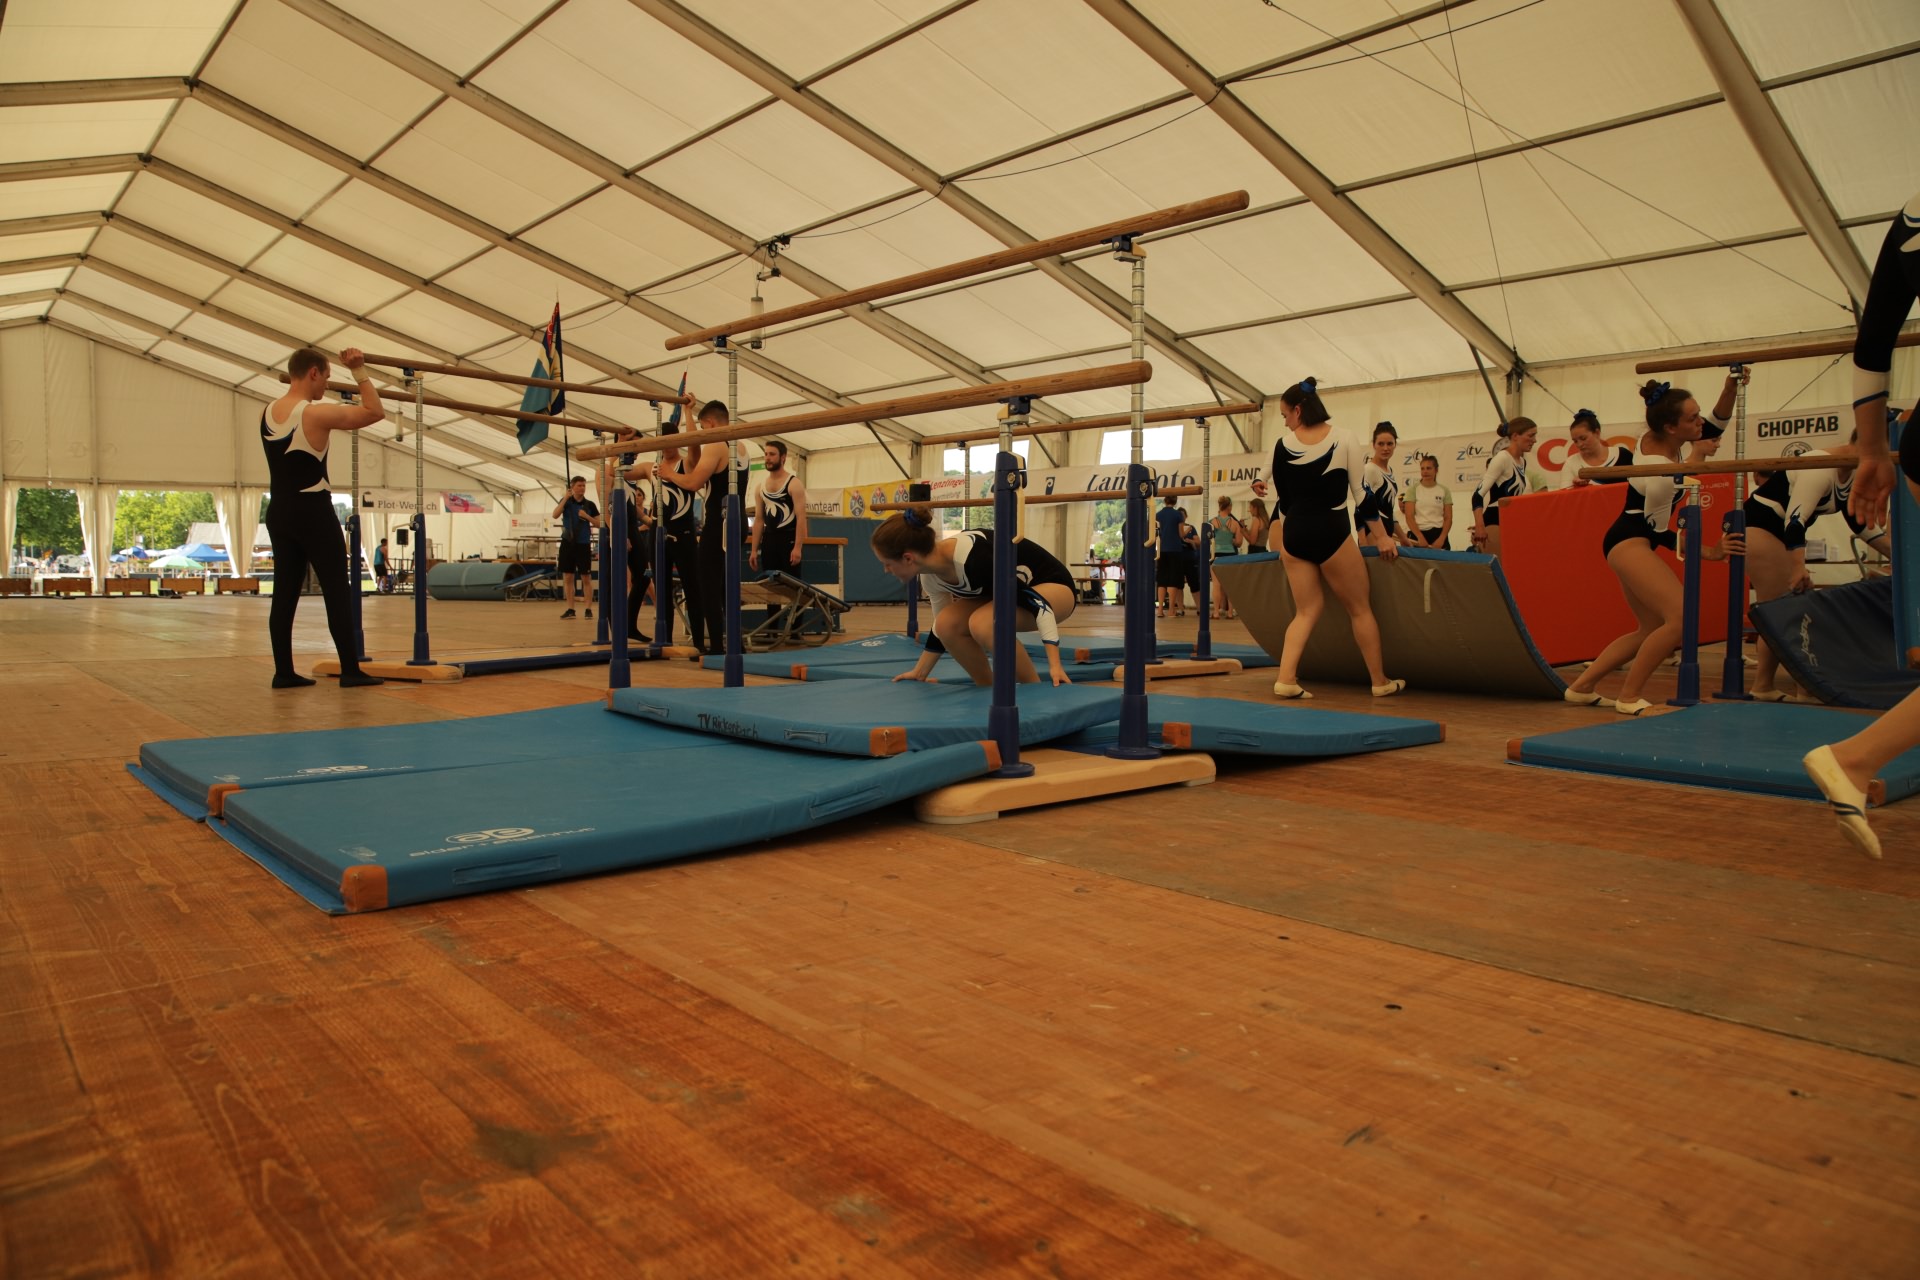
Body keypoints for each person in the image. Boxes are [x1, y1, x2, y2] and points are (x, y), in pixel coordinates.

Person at [1803, 191, 1920, 860]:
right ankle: (1854, 756)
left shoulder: (1911, 213)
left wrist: (1874, 448)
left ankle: (1856, 758)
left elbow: (1874, 341)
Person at [1562, 379, 1744, 716]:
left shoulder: (1664, 437)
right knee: (1681, 616)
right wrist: (1709, 552)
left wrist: (1730, 387)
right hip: (1631, 539)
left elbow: (1716, 423)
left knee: (1648, 628)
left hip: (1629, 537)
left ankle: (1581, 687)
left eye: (1698, 414)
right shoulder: (1659, 473)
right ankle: (1629, 697)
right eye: (1692, 418)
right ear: (1671, 427)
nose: (1700, 423)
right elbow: (1658, 532)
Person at [1257, 376, 1403, 700]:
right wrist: (1382, 537)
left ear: (1298, 411)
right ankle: (1379, 681)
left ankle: (1286, 678)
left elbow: (1284, 501)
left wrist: (1285, 539)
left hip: (1295, 535)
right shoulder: (1344, 438)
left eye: (1285, 415)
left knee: (1306, 611)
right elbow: (1361, 495)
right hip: (1331, 533)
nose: (1285, 422)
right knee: (1360, 609)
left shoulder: (1282, 445)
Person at [260, 347, 385, 689]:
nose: (327, 385)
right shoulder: (315, 414)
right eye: (327, 377)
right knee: (337, 590)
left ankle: (283, 672)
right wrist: (359, 370)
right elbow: (375, 411)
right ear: (313, 372)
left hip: (279, 511)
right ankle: (351, 671)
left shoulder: (266, 412)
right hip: (312, 510)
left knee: (284, 593)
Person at [870, 505, 1077, 686]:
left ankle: (1034, 688)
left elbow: (1039, 606)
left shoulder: (976, 559)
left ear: (908, 558)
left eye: (887, 564)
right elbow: (942, 628)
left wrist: (1055, 665)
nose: (886, 570)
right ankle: (986, 686)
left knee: (984, 623)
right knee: (946, 623)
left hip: (1053, 588)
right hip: (1010, 594)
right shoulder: (930, 577)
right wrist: (920, 672)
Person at [1743, 444, 1865, 700]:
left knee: (1781, 611)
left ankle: (1764, 686)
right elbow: (1795, 521)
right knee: (1785, 611)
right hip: (1760, 528)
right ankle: (1802, 688)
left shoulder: (1854, 473)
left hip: (1780, 534)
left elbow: (1863, 526)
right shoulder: (1818, 468)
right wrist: (1799, 566)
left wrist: (1900, 557)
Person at [638, 401, 730, 653]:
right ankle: (664, 639)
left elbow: (694, 444)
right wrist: (618, 450)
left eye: (671, 442)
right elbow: (620, 473)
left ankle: (699, 641)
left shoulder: (687, 463)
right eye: (662, 443)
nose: (666, 447)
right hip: (658, 534)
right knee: (662, 589)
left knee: (693, 587)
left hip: (684, 534)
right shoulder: (650, 468)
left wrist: (688, 412)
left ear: (677, 442)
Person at [1470, 417, 1537, 557]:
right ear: (1515, 436)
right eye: (1531, 435)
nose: (1535, 440)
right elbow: (1477, 495)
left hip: (1510, 521)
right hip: (1493, 523)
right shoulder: (1502, 458)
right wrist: (1480, 526)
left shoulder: (1522, 462)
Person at [750, 440, 808, 577]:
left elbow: (801, 518)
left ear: (783, 457)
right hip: (769, 540)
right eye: (766, 454)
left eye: (772, 454)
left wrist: (797, 547)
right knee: (770, 583)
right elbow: (759, 520)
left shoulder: (794, 484)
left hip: (789, 540)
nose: (767, 458)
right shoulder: (760, 487)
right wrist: (754, 550)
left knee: (790, 583)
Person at [550, 476, 600, 619]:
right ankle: (570, 609)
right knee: (568, 577)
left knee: (586, 577)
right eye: (579, 485)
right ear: (572, 487)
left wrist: (587, 517)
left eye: (584, 485)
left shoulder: (590, 505)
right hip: (567, 543)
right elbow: (555, 515)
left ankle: (588, 609)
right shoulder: (566, 502)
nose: (582, 488)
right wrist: (565, 498)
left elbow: (599, 524)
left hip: (583, 544)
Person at [1361, 422, 1411, 547]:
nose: (1385, 448)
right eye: (1381, 444)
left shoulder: (1389, 471)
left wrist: (1403, 537)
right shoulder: (1369, 470)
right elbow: (1360, 508)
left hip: (1386, 534)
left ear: (1395, 445)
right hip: (1372, 535)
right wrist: (1363, 540)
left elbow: (1388, 511)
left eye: (1389, 444)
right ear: (1374, 445)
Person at [1561, 409, 1632, 487]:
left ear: (1597, 433)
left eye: (1583, 438)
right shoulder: (1571, 463)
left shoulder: (1623, 454)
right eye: (1575, 441)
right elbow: (1565, 493)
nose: (1579, 444)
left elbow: (1638, 486)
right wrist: (1576, 487)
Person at [621, 480, 652, 644]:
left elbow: (633, 509)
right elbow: (608, 508)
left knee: (644, 578)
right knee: (618, 582)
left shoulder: (631, 483)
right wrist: (620, 533)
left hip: (632, 530)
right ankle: (623, 627)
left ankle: (629, 626)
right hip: (623, 530)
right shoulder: (610, 475)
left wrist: (650, 521)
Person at [1401, 454, 1453, 548]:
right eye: (1422, 468)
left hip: (1438, 534)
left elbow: (1448, 518)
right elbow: (1409, 517)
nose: (1425, 471)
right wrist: (1420, 537)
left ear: (1436, 470)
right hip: (1418, 534)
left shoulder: (1444, 490)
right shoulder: (1412, 490)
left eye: (1428, 468)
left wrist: (1442, 538)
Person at [1208, 494, 1244, 619]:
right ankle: (1230, 612)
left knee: (1216, 585)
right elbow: (1239, 542)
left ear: (1219, 506)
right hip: (1230, 555)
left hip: (1216, 555)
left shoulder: (1211, 522)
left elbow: (1208, 541)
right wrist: (1230, 540)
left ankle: (1216, 612)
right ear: (1229, 507)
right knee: (1230, 584)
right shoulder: (1235, 523)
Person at [1154, 492, 1187, 617]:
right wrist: (1187, 531)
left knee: (1162, 579)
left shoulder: (1158, 515)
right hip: (1175, 549)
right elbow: (1181, 534)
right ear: (1175, 501)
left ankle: (1160, 610)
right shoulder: (1178, 515)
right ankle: (1171, 609)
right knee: (1173, 579)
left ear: (1164, 500)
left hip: (1162, 549)